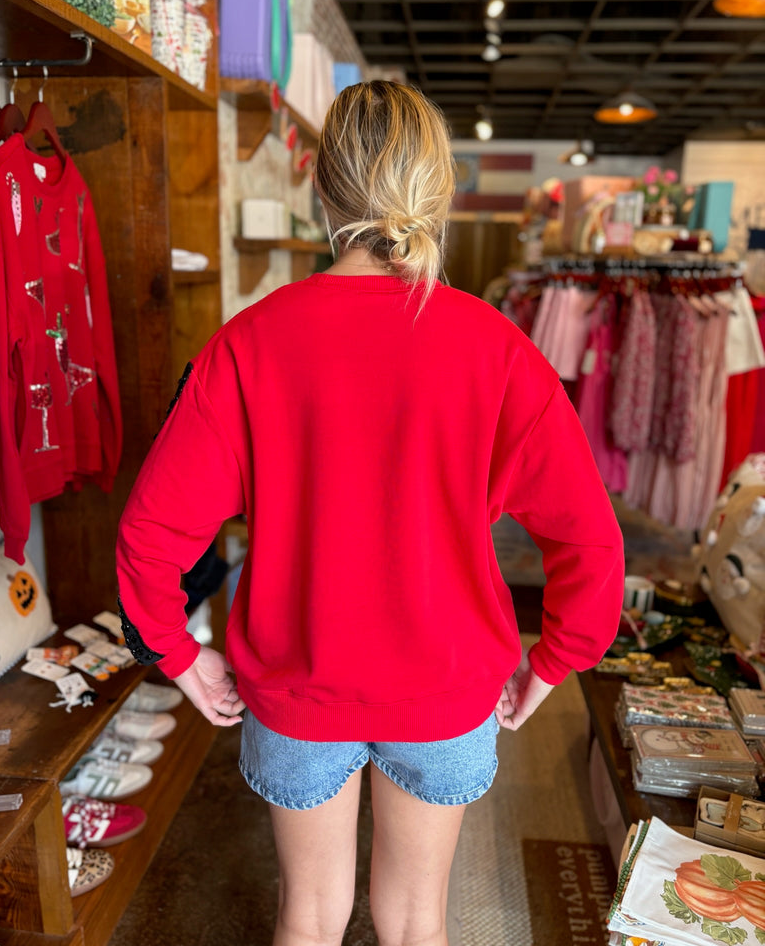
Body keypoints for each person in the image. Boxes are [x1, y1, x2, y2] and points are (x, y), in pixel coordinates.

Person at [116, 80, 624, 946]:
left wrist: (178, 653)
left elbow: (150, 532)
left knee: (309, 918)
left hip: (296, 684)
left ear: (321, 185)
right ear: (438, 190)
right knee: (417, 921)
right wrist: (554, 659)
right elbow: (590, 539)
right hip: (446, 686)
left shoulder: (250, 342)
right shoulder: (497, 349)